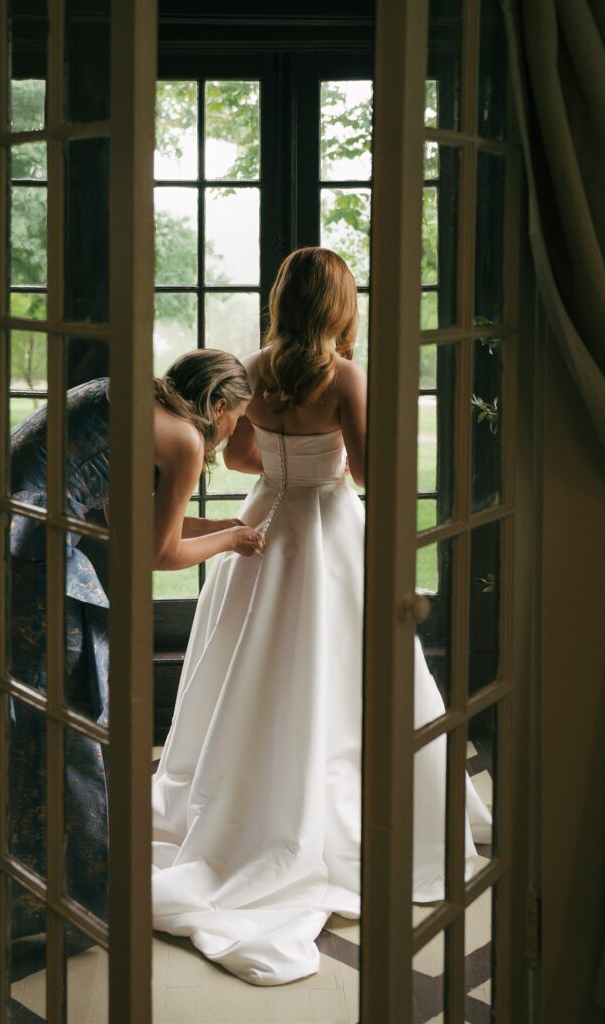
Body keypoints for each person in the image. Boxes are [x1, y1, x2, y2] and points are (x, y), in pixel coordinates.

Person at [151, 248, 491, 985]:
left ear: (283, 299)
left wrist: (282, 462)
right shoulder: (343, 377)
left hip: (265, 521)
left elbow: (239, 458)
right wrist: (331, 459)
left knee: (250, 664)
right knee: (346, 669)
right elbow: (368, 473)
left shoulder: (254, 366)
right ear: (340, 305)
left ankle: (240, 797)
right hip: (329, 529)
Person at [8, 350, 263, 937]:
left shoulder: (129, 395)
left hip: (7, 533)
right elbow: (157, 554)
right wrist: (230, 542)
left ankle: (34, 883)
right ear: (217, 405)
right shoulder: (186, 441)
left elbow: (142, 526)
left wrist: (231, 531)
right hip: (31, 557)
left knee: (36, 717)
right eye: (237, 420)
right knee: (70, 719)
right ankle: (82, 899)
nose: (233, 433)